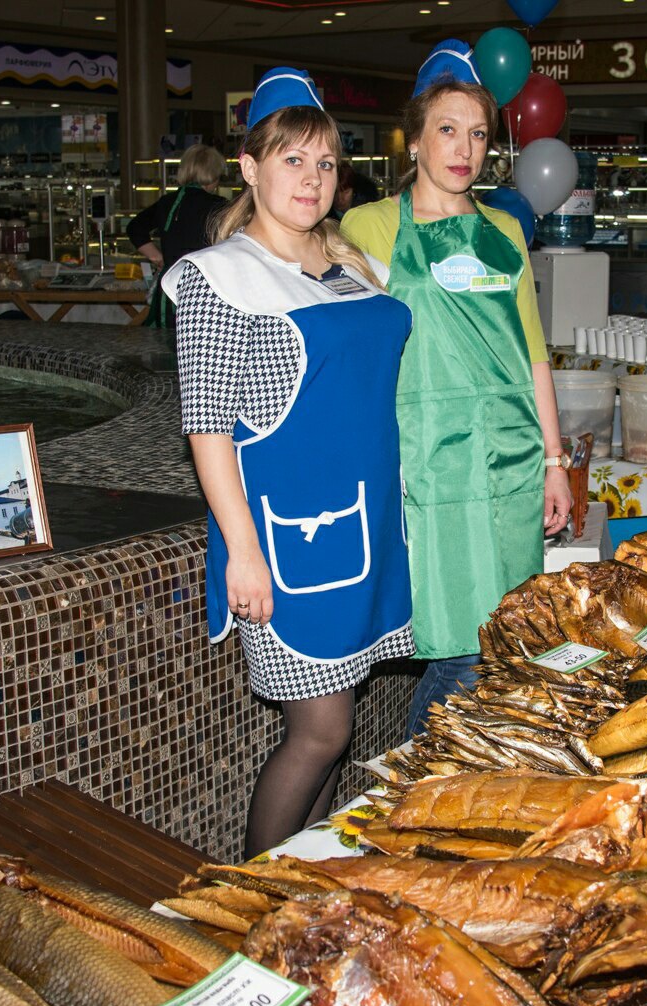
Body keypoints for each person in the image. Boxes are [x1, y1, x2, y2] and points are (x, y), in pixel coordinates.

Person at [161, 67, 414, 859]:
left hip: (367, 529)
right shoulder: (217, 279)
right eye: (293, 160)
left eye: (326, 163)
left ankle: (309, 886)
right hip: (289, 539)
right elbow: (207, 428)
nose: (312, 180)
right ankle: (251, 893)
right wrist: (241, 550)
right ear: (250, 166)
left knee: (336, 741)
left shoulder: (350, 270)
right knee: (322, 731)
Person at [338, 39, 571, 737]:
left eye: (477, 134)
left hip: (512, 462)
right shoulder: (369, 226)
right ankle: (417, 792)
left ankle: (435, 789)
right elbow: (349, 353)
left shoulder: (505, 229)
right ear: (414, 141)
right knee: (462, 649)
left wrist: (555, 465)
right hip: (432, 464)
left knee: (501, 642)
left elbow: (534, 354)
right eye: (447, 129)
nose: (463, 148)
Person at [127, 143, 230, 326]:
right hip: (206, 292)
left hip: (169, 288)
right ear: (213, 176)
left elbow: (135, 228)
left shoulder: (167, 202)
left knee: (168, 344)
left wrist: (158, 258)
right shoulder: (220, 206)